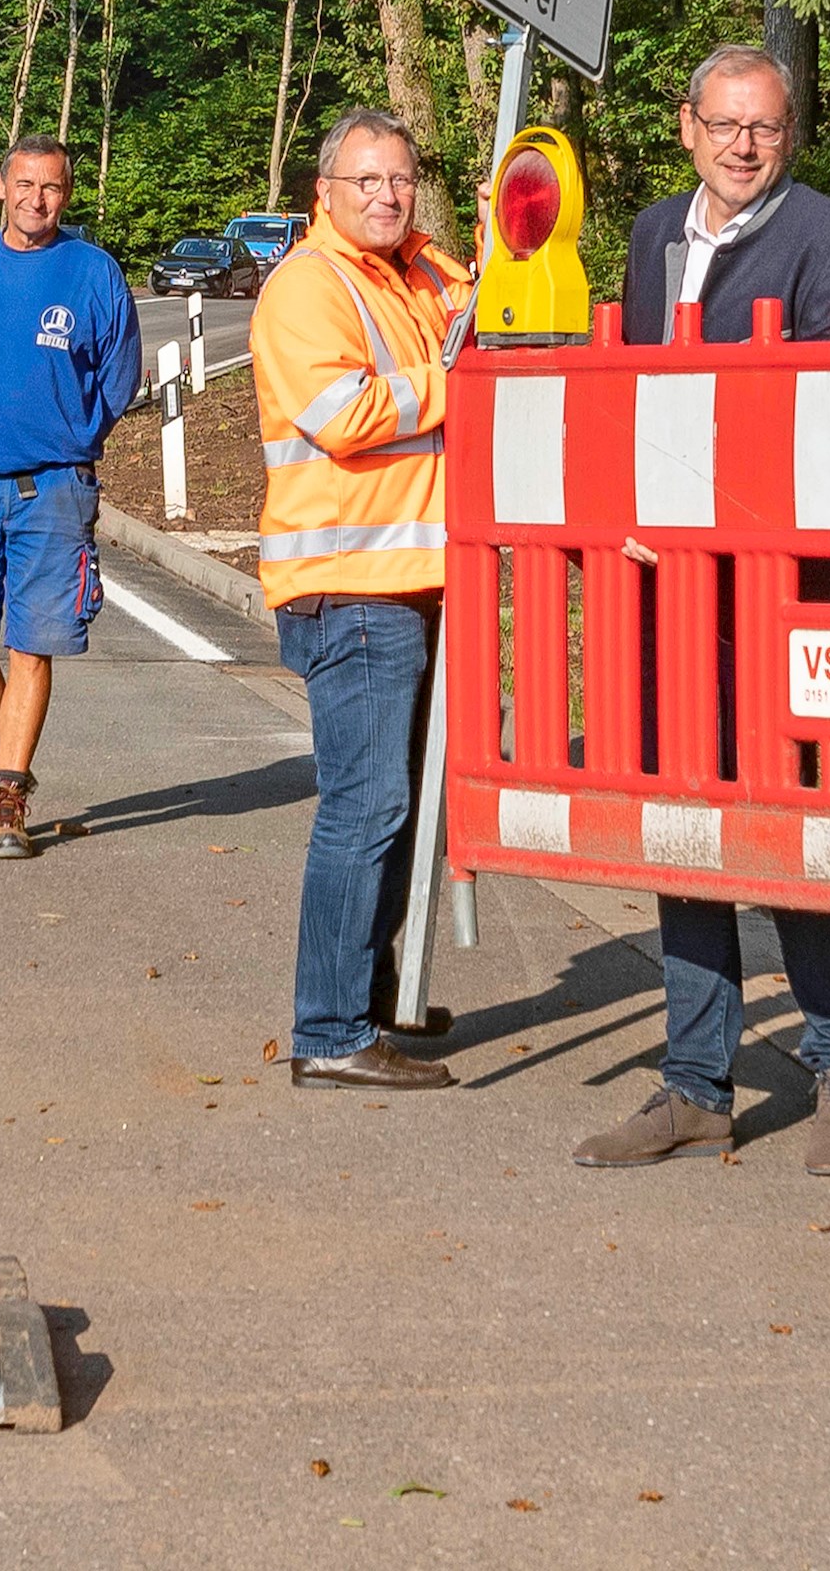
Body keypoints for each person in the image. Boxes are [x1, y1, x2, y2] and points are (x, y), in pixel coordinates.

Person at [572, 44, 830, 1175]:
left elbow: (825, 424)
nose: (742, 146)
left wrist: (699, 507)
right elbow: (637, 396)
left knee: (789, 825)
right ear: (686, 126)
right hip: (673, 591)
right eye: (724, 125)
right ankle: (696, 1085)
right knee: (688, 826)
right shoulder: (655, 236)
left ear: (788, 132)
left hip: (788, 594)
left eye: (763, 127)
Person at [251, 108, 467, 1094]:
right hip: (352, 589)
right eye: (365, 182)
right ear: (321, 197)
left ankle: (369, 996)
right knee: (366, 807)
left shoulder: (402, 275)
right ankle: (331, 1028)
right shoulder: (307, 286)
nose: (387, 195)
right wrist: (454, 381)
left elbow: (485, 314)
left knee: (406, 805)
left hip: (410, 581)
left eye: (401, 179)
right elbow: (347, 418)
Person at [0, 137, 139, 859]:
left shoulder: (94, 273)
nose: (35, 198)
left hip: (53, 486)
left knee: (33, 642)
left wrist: (71, 433)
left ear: (66, 194)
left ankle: (9, 796)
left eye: (50, 186)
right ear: (0, 186)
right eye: (24, 183)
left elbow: (117, 377)